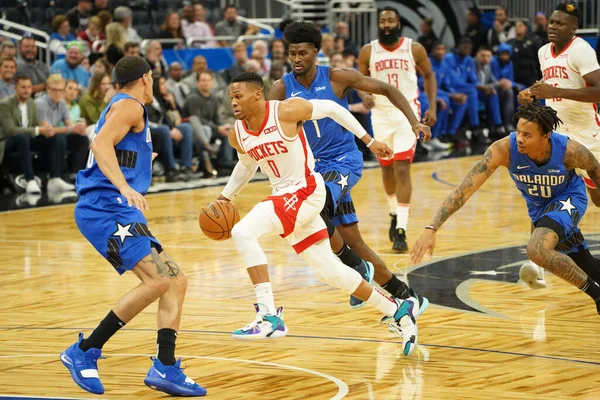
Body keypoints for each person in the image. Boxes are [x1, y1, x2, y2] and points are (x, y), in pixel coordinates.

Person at [218, 72, 420, 355]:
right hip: (285, 197)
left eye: (238, 96)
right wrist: (225, 196)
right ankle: (398, 308)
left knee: (242, 231)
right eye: (231, 97)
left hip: (306, 191)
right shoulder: (237, 133)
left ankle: (268, 314)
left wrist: (368, 140)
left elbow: (333, 109)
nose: (234, 102)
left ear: (257, 95)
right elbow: (247, 164)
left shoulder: (287, 110)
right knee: (329, 271)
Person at [61, 56, 206, 396]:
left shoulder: (125, 108)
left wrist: (141, 162)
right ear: (145, 78)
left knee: (175, 280)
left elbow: (112, 148)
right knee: (158, 280)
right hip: (106, 208)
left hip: (117, 210)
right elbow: (99, 144)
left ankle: (165, 367)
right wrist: (125, 187)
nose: (154, 84)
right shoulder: (130, 106)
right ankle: (83, 352)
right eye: (153, 78)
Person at [269, 21, 431, 309]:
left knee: (313, 211)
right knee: (354, 243)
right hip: (314, 170)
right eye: (292, 54)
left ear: (316, 52)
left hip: (344, 161)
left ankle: (358, 271)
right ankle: (408, 296)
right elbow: (266, 126)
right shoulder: (281, 88)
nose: (296, 59)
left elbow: (387, 89)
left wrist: (413, 120)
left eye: (302, 53)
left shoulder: (337, 77)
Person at [411, 102, 600, 317]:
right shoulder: (503, 150)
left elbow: (595, 168)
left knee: (537, 249)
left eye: (528, 135)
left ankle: (597, 296)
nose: (520, 138)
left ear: (546, 135)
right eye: (519, 131)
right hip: (540, 209)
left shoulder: (569, 151)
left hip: (569, 199)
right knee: (587, 265)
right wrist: (431, 227)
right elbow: (463, 191)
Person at [518, 2, 600, 288]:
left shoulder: (581, 50)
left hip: (588, 136)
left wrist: (553, 91)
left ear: (573, 28)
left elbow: (598, 90)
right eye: (551, 22)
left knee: (598, 198)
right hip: (556, 137)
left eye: (560, 23)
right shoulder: (543, 52)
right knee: (542, 195)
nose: (553, 26)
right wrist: (530, 93)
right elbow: (550, 90)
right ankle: (536, 265)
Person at [357, 7, 437, 252]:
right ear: (378, 24)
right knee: (387, 169)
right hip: (380, 114)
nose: (387, 24)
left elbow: (429, 75)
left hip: (407, 115)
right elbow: (357, 79)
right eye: (383, 20)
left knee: (402, 167)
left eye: (391, 20)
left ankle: (401, 228)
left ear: (399, 23)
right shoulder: (368, 50)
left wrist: (431, 106)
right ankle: (393, 211)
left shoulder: (414, 48)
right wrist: (364, 94)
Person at [0, 75, 58, 194]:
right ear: (15, 87)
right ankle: (29, 179)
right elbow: (10, 130)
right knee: (23, 138)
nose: (27, 90)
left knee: (54, 139)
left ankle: (55, 177)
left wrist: (46, 130)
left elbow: (36, 124)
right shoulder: (5, 104)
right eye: (23, 87)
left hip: (26, 139)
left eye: (29, 87)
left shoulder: (31, 102)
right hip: (7, 141)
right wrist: (38, 130)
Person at [35, 74, 88, 184]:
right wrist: (71, 129)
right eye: (55, 90)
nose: (58, 93)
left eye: (60, 90)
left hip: (54, 136)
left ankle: (75, 173)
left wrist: (79, 129)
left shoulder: (62, 103)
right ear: (47, 89)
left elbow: (70, 125)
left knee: (82, 139)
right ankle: (58, 177)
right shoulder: (40, 103)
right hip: (39, 137)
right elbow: (47, 130)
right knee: (58, 139)